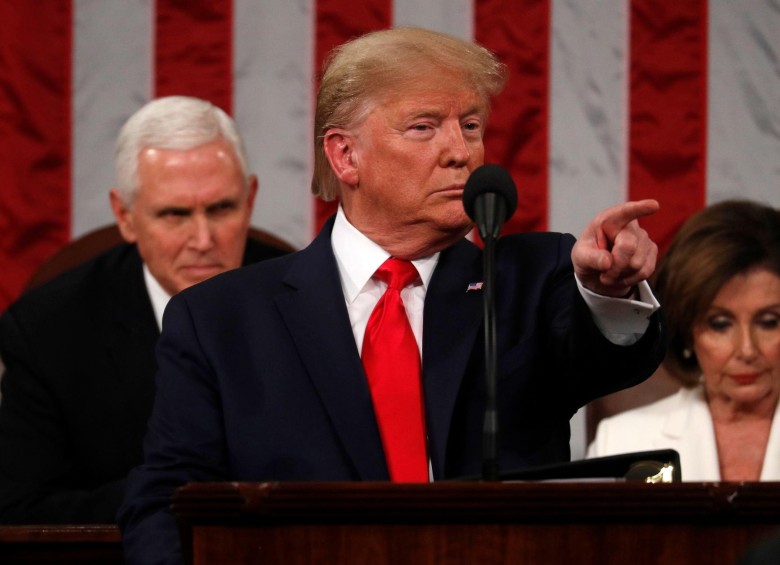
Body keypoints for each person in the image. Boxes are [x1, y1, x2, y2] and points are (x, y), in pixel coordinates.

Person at [118, 27, 666, 564]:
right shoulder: (222, 320)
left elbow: (606, 358)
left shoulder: (530, 280)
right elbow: (166, 501)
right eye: (424, 127)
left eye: (470, 124)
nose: (461, 151)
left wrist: (606, 291)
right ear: (345, 156)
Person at [0, 95, 289, 524]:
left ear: (250, 199)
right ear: (126, 216)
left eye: (221, 208)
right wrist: (177, 496)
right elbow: (20, 509)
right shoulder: (47, 331)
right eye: (175, 214)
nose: (203, 239)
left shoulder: (307, 298)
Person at [587, 200, 780, 481]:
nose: (747, 350)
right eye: (720, 324)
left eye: (769, 322)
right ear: (687, 331)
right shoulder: (622, 443)